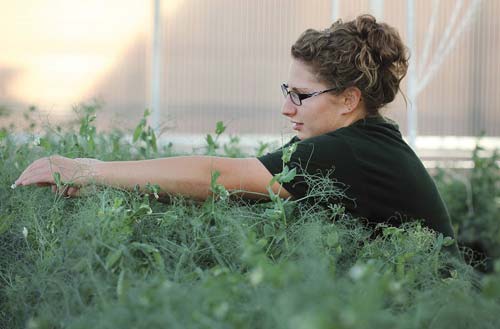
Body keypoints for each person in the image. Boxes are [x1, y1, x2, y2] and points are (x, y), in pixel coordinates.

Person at [14, 14, 459, 255]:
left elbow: (220, 177)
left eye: (301, 95)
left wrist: (92, 170)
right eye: (287, 91)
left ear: (348, 99)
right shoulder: (362, 142)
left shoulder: (350, 152)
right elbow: (232, 189)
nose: (286, 107)